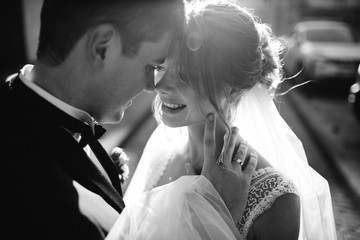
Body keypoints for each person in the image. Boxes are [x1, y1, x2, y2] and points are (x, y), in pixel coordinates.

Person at [0, 0, 256, 239]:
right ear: (103, 48)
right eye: (152, 66)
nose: (151, 86)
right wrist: (215, 213)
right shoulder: (46, 206)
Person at [112, 0, 337, 239]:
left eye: (186, 76)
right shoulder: (161, 157)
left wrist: (217, 212)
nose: (161, 86)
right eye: (161, 67)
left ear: (232, 89)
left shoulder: (275, 199)